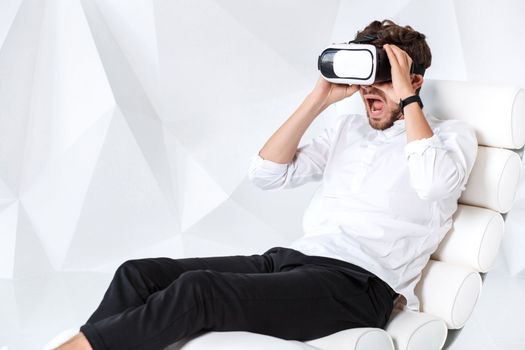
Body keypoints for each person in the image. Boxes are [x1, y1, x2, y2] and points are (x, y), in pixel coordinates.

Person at [55, 19, 477, 350]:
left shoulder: (449, 137)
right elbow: (267, 173)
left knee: (199, 291)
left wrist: (406, 98)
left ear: (414, 82)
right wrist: (319, 98)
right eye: (368, 79)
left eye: (383, 79)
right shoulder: (349, 128)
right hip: (290, 260)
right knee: (139, 275)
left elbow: (433, 184)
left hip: (356, 286)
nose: (370, 90)